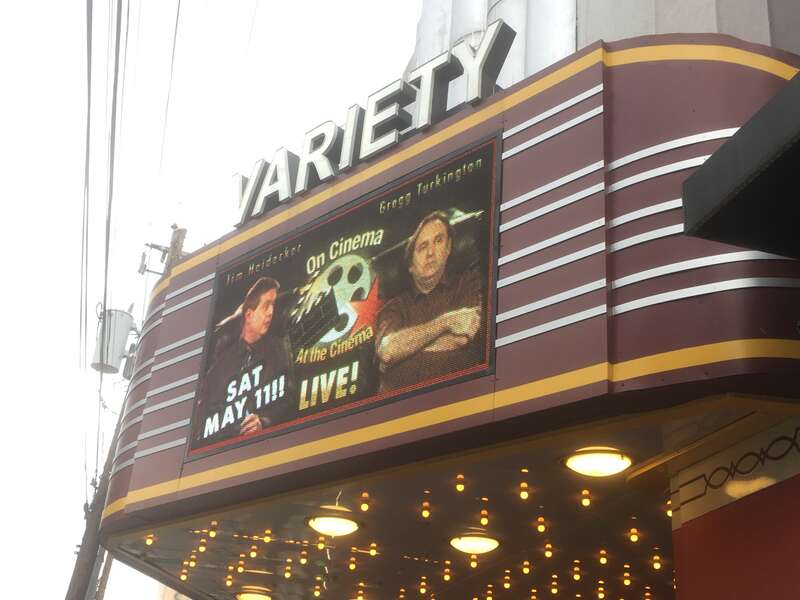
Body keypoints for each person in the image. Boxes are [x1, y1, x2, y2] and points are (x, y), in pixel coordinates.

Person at [375, 210, 483, 392]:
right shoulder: (394, 307)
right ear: (410, 265)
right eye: (422, 247)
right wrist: (446, 322)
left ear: (448, 248)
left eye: (438, 241)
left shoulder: (468, 282)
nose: (431, 252)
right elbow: (388, 351)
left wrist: (405, 351)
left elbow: (463, 338)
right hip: (394, 412)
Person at [194, 277, 293, 445]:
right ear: (249, 314)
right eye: (266, 305)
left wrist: (264, 422)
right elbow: (202, 424)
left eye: (273, 305)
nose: (271, 312)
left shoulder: (278, 348)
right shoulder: (220, 366)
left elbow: (289, 399)